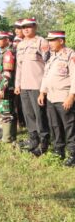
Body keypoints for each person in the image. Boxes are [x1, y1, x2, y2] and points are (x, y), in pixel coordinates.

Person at [38, 31, 75, 165]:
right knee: (54, 125)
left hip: (64, 96)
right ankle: (58, 150)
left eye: (53, 40)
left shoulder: (70, 55)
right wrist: (42, 92)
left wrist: (71, 96)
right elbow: (46, 76)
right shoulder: (51, 56)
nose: (50, 43)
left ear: (61, 40)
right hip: (51, 97)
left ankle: (72, 154)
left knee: (69, 127)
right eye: (49, 40)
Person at [15, 17, 51, 155]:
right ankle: (33, 139)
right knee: (28, 114)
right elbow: (19, 67)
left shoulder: (41, 42)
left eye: (29, 26)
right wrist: (17, 84)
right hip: (24, 85)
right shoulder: (20, 45)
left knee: (39, 115)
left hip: (37, 85)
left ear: (35, 27)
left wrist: (45, 86)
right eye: (23, 27)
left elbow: (48, 64)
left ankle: (44, 142)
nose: (26, 29)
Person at [0, 31, 17, 143]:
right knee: (7, 112)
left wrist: (2, 89)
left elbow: (7, 73)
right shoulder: (1, 52)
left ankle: (6, 138)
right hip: (2, 86)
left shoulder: (8, 54)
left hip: (6, 88)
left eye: (0, 39)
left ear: (7, 40)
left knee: (6, 113)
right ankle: (11, 136)